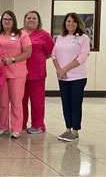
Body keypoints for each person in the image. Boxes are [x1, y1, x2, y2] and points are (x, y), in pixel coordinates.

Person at [0, 11, 31, 139]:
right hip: (1, 73)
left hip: (17, 73)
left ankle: (16, 128)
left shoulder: (22, 35)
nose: (7, 21)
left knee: (16, 101)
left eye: (9, 19)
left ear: (14, 21)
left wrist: (12, 59)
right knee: (2, 102)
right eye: (4, 19)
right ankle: (3, 127)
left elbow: (27, 53)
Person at [52, 13, 90, 142]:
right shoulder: (60, 37)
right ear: (65, 23)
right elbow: (54, 55)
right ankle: (68, 129)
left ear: (78, 23)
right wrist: (59, 70)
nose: (71, 24)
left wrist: (65, 69)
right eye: (68, 21)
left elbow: (82, 57)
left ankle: (75, 131)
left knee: (75, 103)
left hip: (77, 77)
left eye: (74, 21)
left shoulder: (83, 38)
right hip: (63, 77)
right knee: (66, 103)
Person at [22, 11, 55, 134]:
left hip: (37, 74)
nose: (31, 20)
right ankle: (21, 123)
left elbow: (51, 52)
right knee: (20, 101)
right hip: (19, 73)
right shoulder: (19, 32)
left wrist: (39, 59)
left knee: (37, 101)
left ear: (38, 21)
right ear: (24, 19)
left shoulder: (44, 35)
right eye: (28, 17)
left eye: (34, 18)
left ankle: (38, 125)